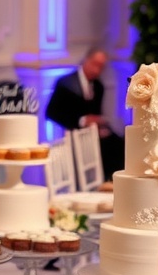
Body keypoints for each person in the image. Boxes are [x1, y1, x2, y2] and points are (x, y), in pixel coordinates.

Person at [45, 48, 124, 181]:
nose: (97, 70)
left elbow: (97, 112)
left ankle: (113, 181)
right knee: (110, 149)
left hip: (93, 133)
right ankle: (106, 182)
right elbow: (52, 112)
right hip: (73, 132)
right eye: (95, 64)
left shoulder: (98, 86)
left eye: (101, 67)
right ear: (86, 60)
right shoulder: (66, 84)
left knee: (119, 143)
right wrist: (82, 121)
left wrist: (99, 125)